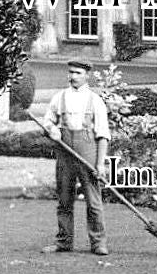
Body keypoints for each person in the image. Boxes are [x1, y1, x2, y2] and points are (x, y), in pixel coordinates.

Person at [43, 59, 110, 256]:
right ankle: (64, 241)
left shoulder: (95, 100)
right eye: (71, 72)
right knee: (64, 199)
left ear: (86, 75)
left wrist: (100, 164)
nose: (73, 76)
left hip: (87, 151)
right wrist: (52, 129)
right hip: (64, 152)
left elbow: (103, 134)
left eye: (78, 73)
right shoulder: (59, 97)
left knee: (93, 201)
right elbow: (47, 121)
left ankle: (98, 243)